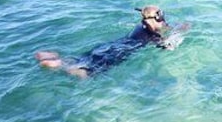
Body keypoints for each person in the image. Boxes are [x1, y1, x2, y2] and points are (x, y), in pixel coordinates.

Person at [35, 5, 174, 78]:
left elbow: (161, 28)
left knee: (85, 59)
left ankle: (58, 59)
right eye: (161, 16)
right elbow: (167, 46)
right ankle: (58, 65)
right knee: (88, 73)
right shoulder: (152, 35)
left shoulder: (141, 26)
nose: (163, 19)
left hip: (112, 46)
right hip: (119, 52)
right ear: (155, 19)